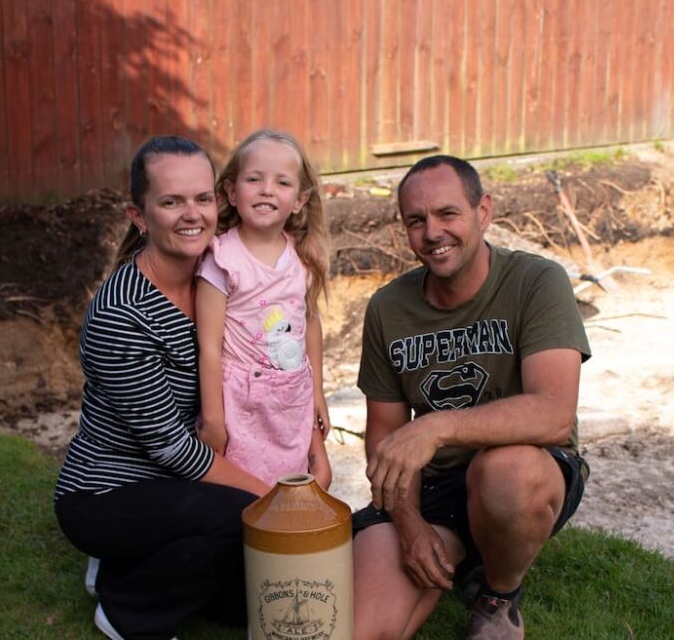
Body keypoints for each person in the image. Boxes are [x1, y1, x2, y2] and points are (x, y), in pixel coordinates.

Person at [351, 155, 591, 639]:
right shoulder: (388, 308)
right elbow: (384, 437)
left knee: (504, 472)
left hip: (526, 471)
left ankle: (498, 596)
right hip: (434, 490)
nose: (432, 232)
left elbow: (553, 414)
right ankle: (458, 553)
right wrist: (409, 523)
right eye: (416, 221)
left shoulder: (537, 282)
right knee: (359, 629)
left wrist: (436, 426)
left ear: (484, 211)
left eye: (447, 214)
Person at [54, 135, 272, 640]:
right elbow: (170, 446)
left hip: (178, 484)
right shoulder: (121, 315)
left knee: (248, 600)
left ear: (219, 199)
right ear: (138, 214)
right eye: (171, 201)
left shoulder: (218, 273)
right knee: (239, 519)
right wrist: (269, 497)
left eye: (201, 198)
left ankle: (119, 566)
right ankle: (128, 613)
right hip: (109, 490)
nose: (191, 214)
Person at [194, 128, 332, 489]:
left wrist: (317, 392)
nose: (267, 189)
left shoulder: (301, 258)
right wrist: (213, 420)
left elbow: (310, 324)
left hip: (290, 399)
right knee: (244, 495)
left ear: (300, 200)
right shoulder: (222, 260)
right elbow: (208, 346)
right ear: (231, 192)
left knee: (294, 491)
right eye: (254, 179)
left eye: (282, 183)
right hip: (242, 405)